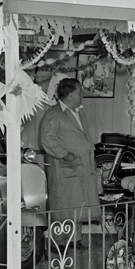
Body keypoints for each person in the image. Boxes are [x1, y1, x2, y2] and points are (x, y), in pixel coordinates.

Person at [38, 78, 99, 241]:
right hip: (64, 167)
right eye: (79, 92)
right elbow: (47, 139)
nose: (82, 95)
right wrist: (65, 154)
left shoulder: (79, 112)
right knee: (64, 205)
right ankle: (60, 242)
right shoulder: (54, 113)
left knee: (77, 204)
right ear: (70, 94)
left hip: (80, 166)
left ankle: (75, 239)